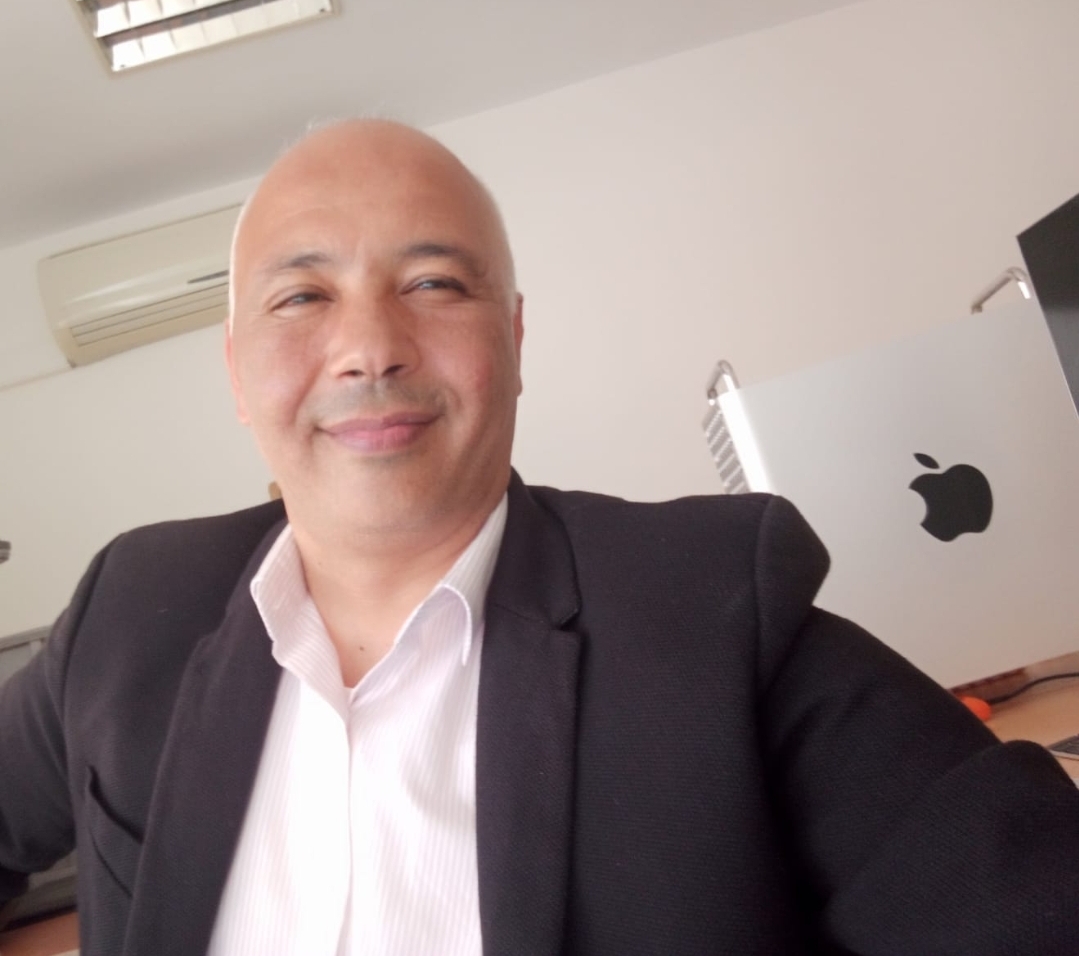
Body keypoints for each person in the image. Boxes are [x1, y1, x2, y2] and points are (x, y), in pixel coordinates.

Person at [2, 119, 1079, 956]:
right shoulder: (132, 609)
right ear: (237, 371)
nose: (369, 347)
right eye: (300, 296)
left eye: (433, 283)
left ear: (512, 340)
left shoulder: (712, 612)